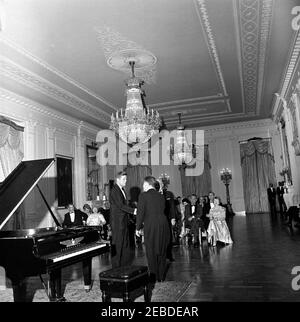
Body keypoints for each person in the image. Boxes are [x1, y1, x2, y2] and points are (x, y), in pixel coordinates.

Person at [136, 176, 170, 283]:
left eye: (143, 185)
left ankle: (153, 277)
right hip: (164, 224)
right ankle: (161, 277)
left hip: (151, 224)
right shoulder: (161, 196)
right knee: (161, 250)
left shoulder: (143, 195)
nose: (142, 187)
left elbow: (140, 213)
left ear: (147, 184)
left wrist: (138, 227)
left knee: (151, 251)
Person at [109, 171, 137, 268]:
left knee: (125, 246)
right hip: (117, 223)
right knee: (118, 246)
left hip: (124, 222)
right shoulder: (114, 190)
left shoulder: (122, 190)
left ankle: (124, 268)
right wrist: (134, 211)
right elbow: (121, 206)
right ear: (118, 180)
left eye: (126, 179)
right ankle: (116, 270)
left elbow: (124, 205)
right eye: (124, 179)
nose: (126, 181)